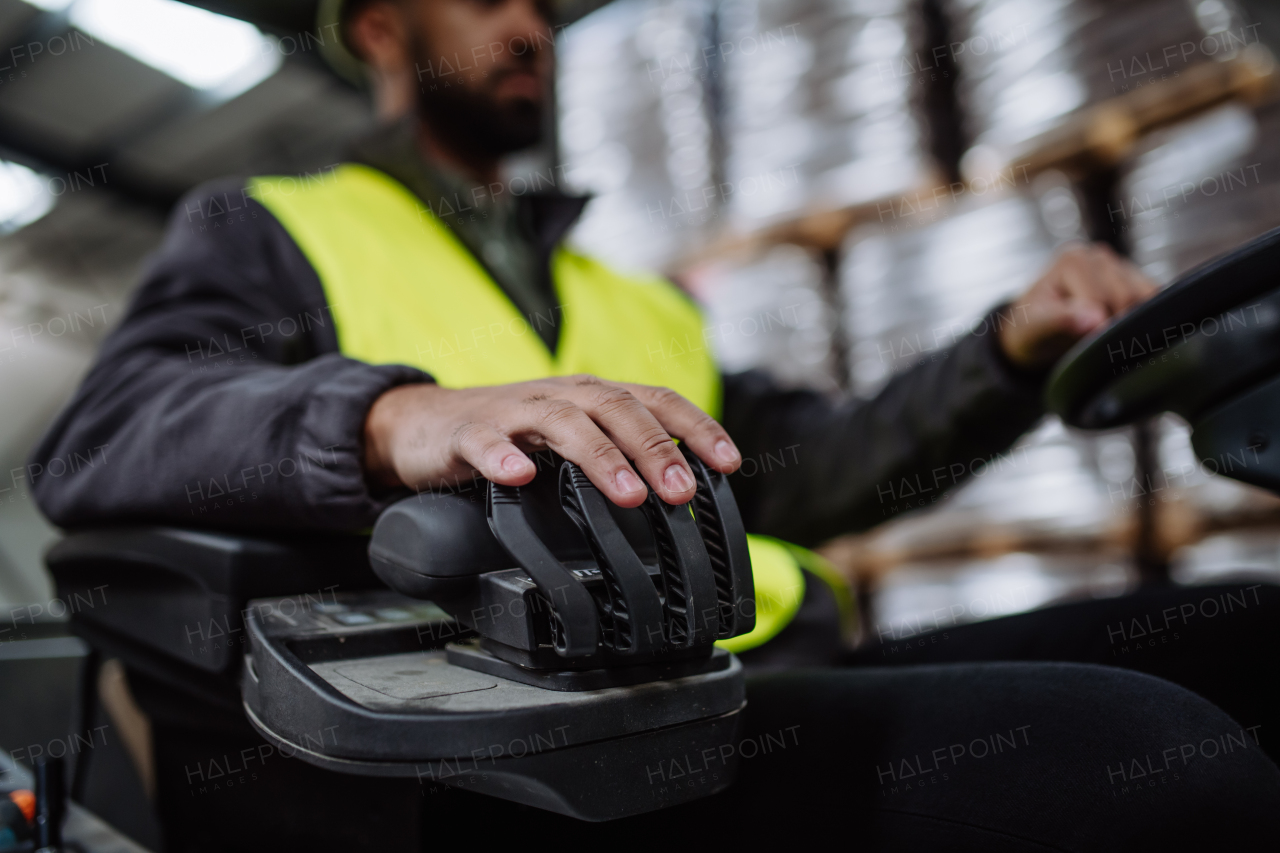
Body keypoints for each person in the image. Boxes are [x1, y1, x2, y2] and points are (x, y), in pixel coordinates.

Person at [29, 0, 1280, 848]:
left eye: (539, 8)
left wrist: (1003, 352)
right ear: (379, 28)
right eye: (484, 2)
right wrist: (396, 414)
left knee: (1256, 635)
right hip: (534, 751)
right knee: (1139, 758)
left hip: (764, 676)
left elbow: (811, 473)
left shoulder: (630, 298)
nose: (528, 27)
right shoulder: (267, 224)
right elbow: (112, 433)